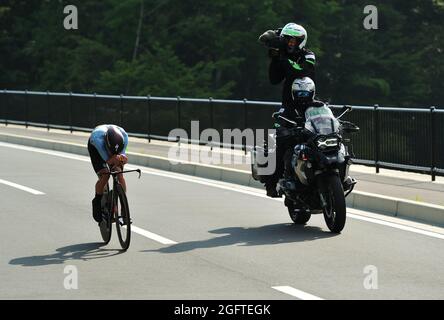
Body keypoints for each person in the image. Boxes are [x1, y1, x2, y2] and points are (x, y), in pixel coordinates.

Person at [265, 77, 326, 197]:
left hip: (314, 139)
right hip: (295, 140)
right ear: (294, 93)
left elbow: (329, 118)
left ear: (312, 92)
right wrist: (284, 130)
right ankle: (271, 185)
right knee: (281, 154)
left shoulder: (319, 106)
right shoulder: (288, 107)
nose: (303, 96)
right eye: (299, 93)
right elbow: (278, 122)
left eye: (306, 93)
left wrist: (337, 124)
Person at [259, 22, 316, 108]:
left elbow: (302, 71)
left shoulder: (308, 55)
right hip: (288, 105)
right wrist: (275, 58)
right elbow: (274, 80)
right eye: (287, 40)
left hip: (308, 105)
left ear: (300, 41)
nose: (290, 44)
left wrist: (284, 58)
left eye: (293, 41)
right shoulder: (283, 55)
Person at [88, 124, 129, 222]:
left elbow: (120, 157)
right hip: (96, 149)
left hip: (114, 145)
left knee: (119, 173)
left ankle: (124, 206)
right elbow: (109, 161)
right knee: (105, 175)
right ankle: (97, 201)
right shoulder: (97, 140)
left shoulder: (125, 137)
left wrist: (122, 158)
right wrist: (112, 159)